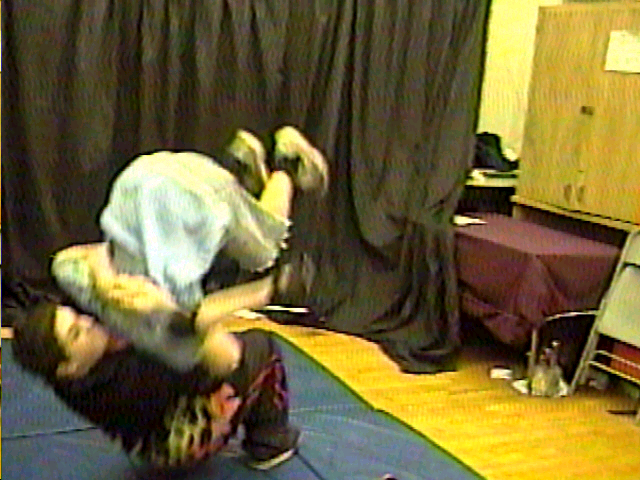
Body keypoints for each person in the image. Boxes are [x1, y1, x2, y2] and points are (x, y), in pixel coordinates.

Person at [51, 125, 327, 374]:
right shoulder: (97, 299)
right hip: (150, 175)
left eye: (75, 325)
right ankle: (236, 173)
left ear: (71, 369)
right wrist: (111, 282)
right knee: (226, 226)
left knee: (263, 251)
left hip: (185, 201)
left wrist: (267, 290)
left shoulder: (143, 330)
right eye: (76, 333)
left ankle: (288, 164)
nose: (85, 324)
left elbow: (225, 355)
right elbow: (72, 258)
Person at [11, 298, 301, 471]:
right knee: (261, 347)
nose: (87, 322)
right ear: (69, 367)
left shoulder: (66, 373)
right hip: (182, 444)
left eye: (77, 317)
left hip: (150, 441)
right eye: (76, 333)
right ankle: (270, 442)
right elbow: (218, 365)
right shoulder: (129, 380)